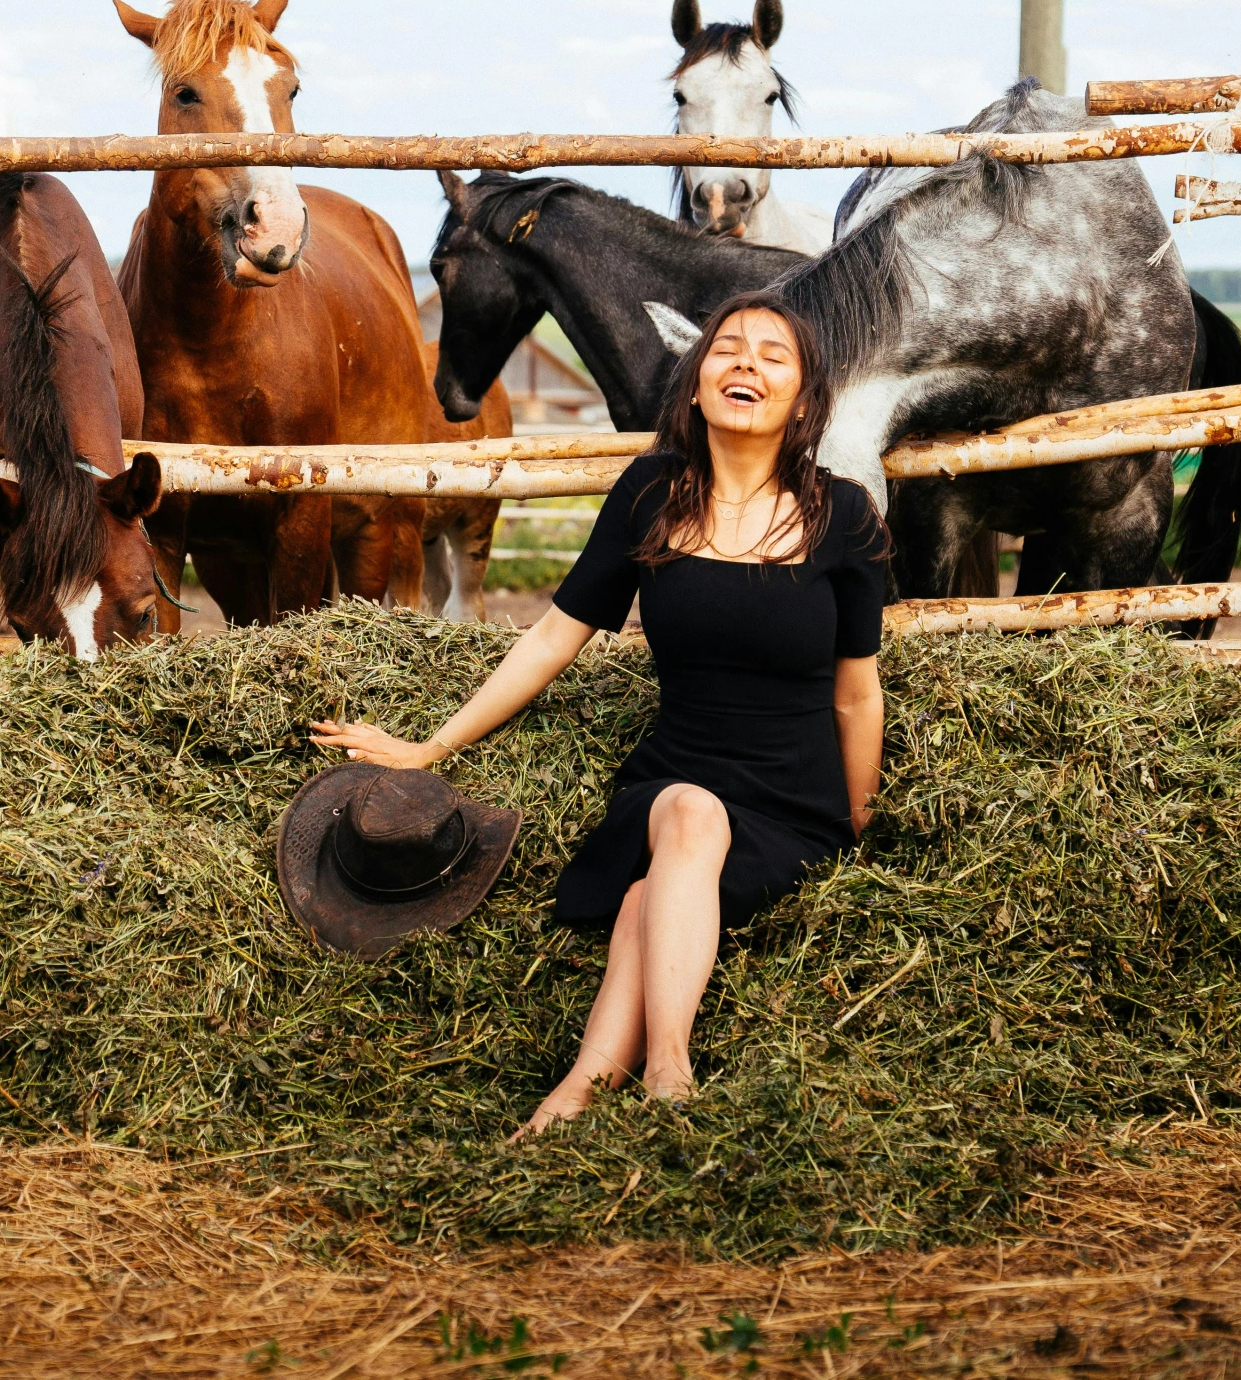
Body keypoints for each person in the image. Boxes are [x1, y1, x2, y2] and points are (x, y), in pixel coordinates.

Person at [310, 290, 886, 1136]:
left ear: (802, 401)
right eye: (727, 349)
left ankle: (581, 1082)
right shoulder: (652, 490)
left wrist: (860, 818)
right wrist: (427, 746)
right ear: (694, 387)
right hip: (677, 776)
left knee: (643, 901)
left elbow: (856, 689)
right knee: (689, 814)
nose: (745, 364)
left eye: (772, 355)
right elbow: (552, 636)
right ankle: (667, 1070)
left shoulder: (844, 515)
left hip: (790, 800)